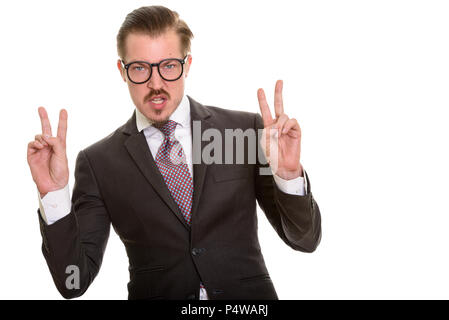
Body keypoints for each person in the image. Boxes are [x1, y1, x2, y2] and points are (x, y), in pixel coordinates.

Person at [27, 5, 321, 300]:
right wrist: (54, 197)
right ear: (122, 71)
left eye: (168, 65)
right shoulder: (98, 162)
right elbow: (73, 282)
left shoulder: (242, 133)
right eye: (140, 68)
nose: (156, 84)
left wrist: (288, 177)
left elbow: (305, 240)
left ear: (187, 64)